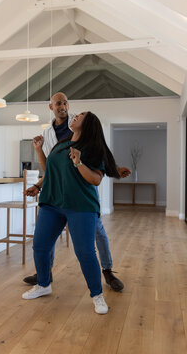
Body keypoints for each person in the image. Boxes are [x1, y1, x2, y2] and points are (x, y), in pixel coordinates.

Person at [23, 92, 130, 291]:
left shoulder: (80, 126)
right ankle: (45, 273)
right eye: (58, 103)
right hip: (57, 194)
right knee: (47, 236)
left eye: (65, 103)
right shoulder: (48, 134)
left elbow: (97, 154)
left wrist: (113, 169)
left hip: (81, 193)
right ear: (51, 107)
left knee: (97, 232)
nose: (62, 107)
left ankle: (107, 271)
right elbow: (54, 167)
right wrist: (39, 185)